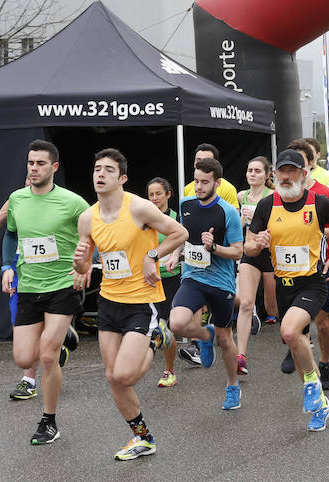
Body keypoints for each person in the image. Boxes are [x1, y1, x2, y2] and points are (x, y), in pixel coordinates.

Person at [73, 148, 187, 460]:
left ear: (122, 178)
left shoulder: (139, 208)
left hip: (141, 301)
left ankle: (156, 336)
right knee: (113, 378)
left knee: (125, 376)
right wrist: (80, 264)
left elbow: (180, 232)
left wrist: (153, 255)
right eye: (97, 168)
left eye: (108, 170)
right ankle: (143, 438)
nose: (100, 174)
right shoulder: (87, 218)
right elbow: (84, 271)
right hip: (109, 303)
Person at [245, 149, 329, 431]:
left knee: (290, 332)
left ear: (304, 175)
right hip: (283, 285)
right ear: (274, 175)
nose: (287, 176)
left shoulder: (319, 202)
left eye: (293, 171)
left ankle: (314, 387)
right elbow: (247, 246)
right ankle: (321, 404)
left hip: (312, 283)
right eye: (282, 171)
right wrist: (259, 243)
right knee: (297, 344)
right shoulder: (267, 206)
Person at [2, 140, 90, 444]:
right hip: (28, 286)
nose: (34, 168)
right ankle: (63, 333)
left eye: (40, 163)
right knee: (23, 356)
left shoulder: (73, 202)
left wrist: (85, 265)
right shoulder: (17, 199)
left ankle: (49, 421)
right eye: (30, 163)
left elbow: (94, 235)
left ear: (54, 167)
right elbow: (11, 235)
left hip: (62, 286)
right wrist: (6, 267)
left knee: (48, 358)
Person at [168, 157, 245, 410]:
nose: (198, 187)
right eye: (196, 181)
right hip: (193, 277)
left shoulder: (228, 212)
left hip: (221, 282)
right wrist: (174, 253)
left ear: (217, 182)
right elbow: (182, 234)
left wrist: (214, 247)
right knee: (176, 323)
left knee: (225, 340)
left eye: (204, 182)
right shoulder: (185, 203)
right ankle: (204, 334)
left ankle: (232, 386)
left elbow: (238, 252)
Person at [286, 139, 329, 390]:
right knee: (296, 326)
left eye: (300, 161)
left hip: (322, 268)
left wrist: (316, 229)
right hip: (291, 271)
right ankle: (305, 365)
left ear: (309, 164)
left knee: (323, 323)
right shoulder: (281, 196)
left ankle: (324, 361)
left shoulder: (325, 194)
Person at [235, 157, 277, 375]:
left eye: (257, 171)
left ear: (266, 175)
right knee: (246, 303)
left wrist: (262, 223)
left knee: (274, 308)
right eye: (250, 170)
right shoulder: (242, 196)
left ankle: (299, 341)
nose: (252, 174)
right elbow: (240, 224)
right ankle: (240, 357)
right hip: (250, 250)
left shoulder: (273, 196)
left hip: (270, 253)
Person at [146, 177, 183, 387]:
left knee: (165, 327)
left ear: (168, 194)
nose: (154, 199)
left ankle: (169, 371)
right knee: (151, 328)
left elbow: (180, 240)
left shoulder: (175, 219)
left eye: (158, 194)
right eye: (151, 195)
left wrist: (175, 255)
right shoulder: (143, 221)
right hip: (148, 282)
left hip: (170, 280)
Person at [182, 143, 240, 208]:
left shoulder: (228, 189)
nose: (202, 163)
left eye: (206, 160)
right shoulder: (187, 189)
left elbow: (233, 215)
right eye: (198, 160)